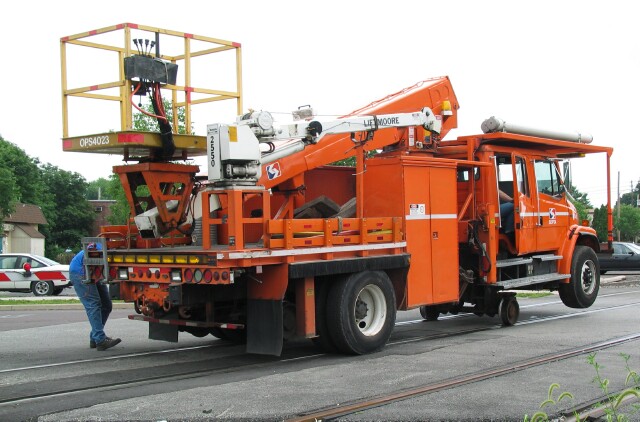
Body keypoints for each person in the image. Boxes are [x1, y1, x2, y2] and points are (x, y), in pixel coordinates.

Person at [69, 243, 121, 351]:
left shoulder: (105, 247)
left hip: (92, 273)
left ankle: (95, 337)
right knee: (93, 304)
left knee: (106, 305)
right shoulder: (99, 247)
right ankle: (100, 340)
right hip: (81, 273)